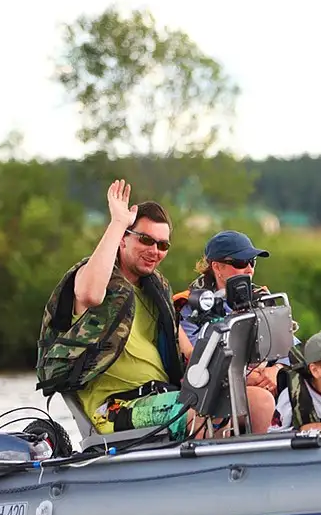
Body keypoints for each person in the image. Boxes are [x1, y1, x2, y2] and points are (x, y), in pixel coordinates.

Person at [36, 180, 209, 439]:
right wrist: (118, 222)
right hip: (115, 408)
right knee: (200, 408)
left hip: (163, 395)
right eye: (146, 240)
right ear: (123, 240)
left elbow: (188, 351)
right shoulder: (92, 278)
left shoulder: (155, 291)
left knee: (247, 400)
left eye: (162, 245)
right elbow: (91, 294)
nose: (154, 251)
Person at [172, 229, 277, 431]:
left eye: (252, 262)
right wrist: (247, 374)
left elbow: (290, 347)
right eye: (240, 263)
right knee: (261, 401)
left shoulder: (262, 298)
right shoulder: (191, 306)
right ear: (217, 267)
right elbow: (198, 360)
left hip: (264, 385)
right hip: (214, 392)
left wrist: (276, 370)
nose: (249, 270)